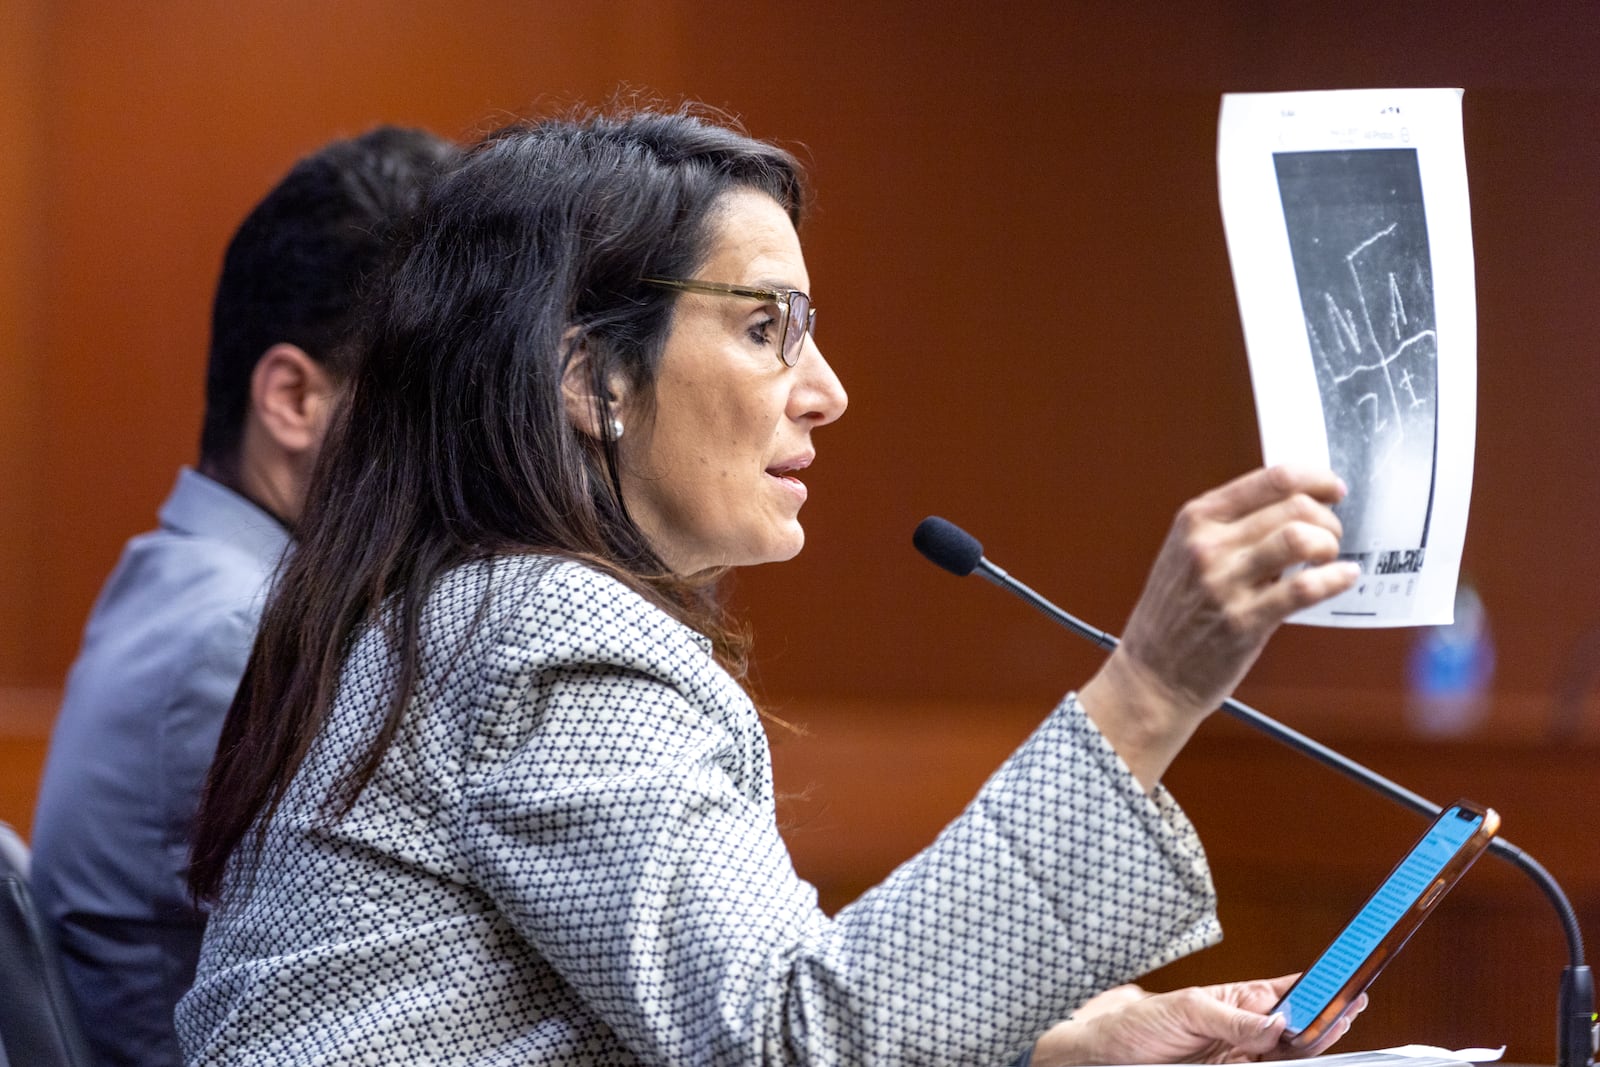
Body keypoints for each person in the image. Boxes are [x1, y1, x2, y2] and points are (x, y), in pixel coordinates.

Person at [177, 107, 1363, 1067]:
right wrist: (1150, 691)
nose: (826, 390)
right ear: (591, 376)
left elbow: (737, 1002)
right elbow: (795, 1039)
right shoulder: (541, 625)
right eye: (765, 328)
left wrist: (1059, 1045)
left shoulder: (458, 603)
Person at [29, 125, 461, 1067]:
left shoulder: (182, 581)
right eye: (428, 404)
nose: (464, 452)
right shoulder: (249, 632)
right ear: (295, 399)